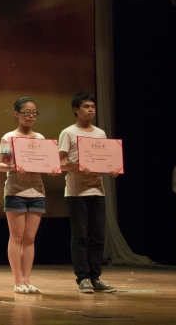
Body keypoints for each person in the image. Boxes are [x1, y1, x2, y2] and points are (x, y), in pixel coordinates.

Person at [58, 91, 119, 294]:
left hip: (97, 190)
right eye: (86, 106)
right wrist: (77, 165)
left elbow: (106, 159)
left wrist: (112, 168)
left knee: (98, 237)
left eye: (93, 106)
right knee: (80, 236)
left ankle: (95, 277)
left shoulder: (100, 133)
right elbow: (59, 163)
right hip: (76, 192)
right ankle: (83, 278)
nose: (91, 110)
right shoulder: (68, 133)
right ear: (76, 110)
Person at [0, 97, 56, 294]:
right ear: (17, 114)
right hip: (15, 191)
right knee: (16, 236)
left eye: (34, 113)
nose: (31, 116)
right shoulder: (9, 138)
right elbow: (0, 165)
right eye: (26, 113)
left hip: (37, 192)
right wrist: (14, 166)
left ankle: (27, 280)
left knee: (30, 238)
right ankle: (18, 281)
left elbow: (45, 162)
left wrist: (52, 168)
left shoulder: (40, 138)